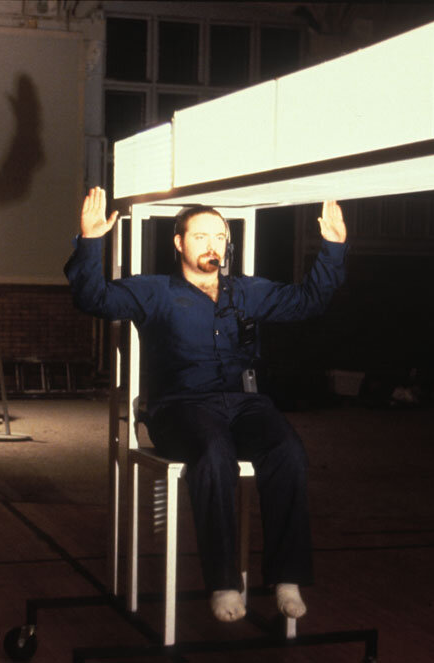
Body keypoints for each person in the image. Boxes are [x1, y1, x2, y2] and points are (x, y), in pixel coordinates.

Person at [64, 187, 347, 623]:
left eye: (219, 237)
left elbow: (310, 300)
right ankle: (223, 581)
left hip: (243, 405)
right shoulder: (154, 291)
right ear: (179, 242)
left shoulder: (247, 291)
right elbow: (92, 298)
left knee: (288, 450)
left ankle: (286, 576)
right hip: (179, 408)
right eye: (201, 236)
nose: (212, 245)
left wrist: (333, 248)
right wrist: (90, 242)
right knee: (215, 453)